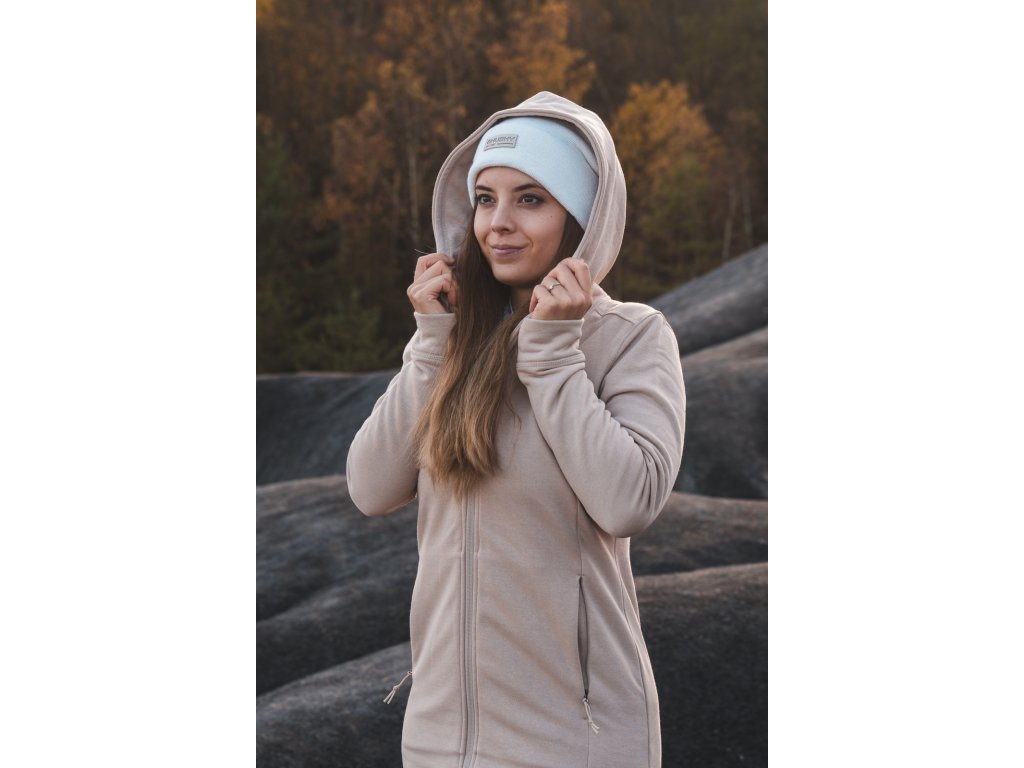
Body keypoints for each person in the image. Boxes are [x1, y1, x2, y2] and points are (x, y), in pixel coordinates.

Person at [346, 91, 686, 768]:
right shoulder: (452, 339)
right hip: (441, 741)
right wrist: (431, 346)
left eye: (530, 199)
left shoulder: (630, 336)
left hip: (575, 741)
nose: (498, 223)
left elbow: (628, 502)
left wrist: (554, 353)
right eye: (485, 199)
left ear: (580, 219)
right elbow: (370, 489)